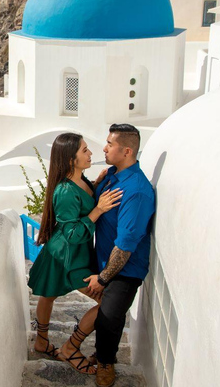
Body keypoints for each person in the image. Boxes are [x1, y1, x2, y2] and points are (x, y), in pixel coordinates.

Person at [27, 132, 123, 375]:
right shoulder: (65, 191)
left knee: (48, 296)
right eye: (84, 150)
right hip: (65, 256)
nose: (91, 153)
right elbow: (71, 233)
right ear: (71, 159)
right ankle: (71, 346)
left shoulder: (81, 181)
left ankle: (42, 341)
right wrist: (98, 210)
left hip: (75, 253)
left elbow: (84, 199)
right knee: (106, 302)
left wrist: (97, 184)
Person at [84, 124, 155, 387]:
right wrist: (97, 182)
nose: (103, 148)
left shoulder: (136, 191)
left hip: (125, 268)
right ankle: (74, 344)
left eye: (109, 144)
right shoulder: (113, 174)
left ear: (126, 151)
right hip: (102, 258)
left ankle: (105, 361)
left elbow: (125, 247)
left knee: (110, 317)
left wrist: (102, 279)